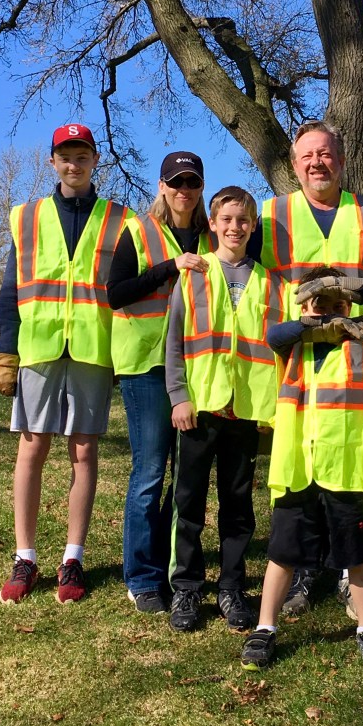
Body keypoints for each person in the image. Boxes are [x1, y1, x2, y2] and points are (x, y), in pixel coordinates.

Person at [253, 120, 363, 616]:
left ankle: (345, 570)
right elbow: (246, 277)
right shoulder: (272, 215)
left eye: (326, 153)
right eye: (307, 155)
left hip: (356, 362)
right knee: (300, 473)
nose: (318, 162)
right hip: (293, 359)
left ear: (341, 158)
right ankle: (303, 571)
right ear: (294, 166)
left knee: (348, 467)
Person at [0, 124, 130, 604]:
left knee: (84, 454)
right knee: (31, 450)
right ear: (52, 162)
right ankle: (25, 557)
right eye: (65, 157)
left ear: (95, 161)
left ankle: (73, 558)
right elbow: (10, 291)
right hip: (39, 350)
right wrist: (5, 350)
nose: (74, 164)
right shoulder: (26, 218)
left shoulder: (119, 219)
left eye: (82, 156)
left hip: (94, 350)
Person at [239, 266, 363, 671]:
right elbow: (275, 334)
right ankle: (265, 628)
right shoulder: (294, 343)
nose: (330, 311)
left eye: (337, 304)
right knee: (283, 552)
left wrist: (352, 291)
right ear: (305, 304)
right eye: (319, 302)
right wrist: (314, 317)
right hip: (300, 467)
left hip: (347, 468)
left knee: (356, 554)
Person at [163, 186, 282, 634]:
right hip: (199, 407)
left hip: (247, 410)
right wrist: (179, 396)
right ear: (212, 224)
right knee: (189, 502)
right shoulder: (193, 274)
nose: (235, 227)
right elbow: (174, 341)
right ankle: (187, 588)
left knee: (238, 505)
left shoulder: (272, 283)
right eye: (226, 219)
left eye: (243, 220)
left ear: (253, 226)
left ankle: (232, 589)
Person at [107, 151, 212, 613]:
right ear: (162, 186)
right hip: (146, 364)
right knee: (150, 472)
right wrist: (170, 267)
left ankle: (178, 571)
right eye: (176, 182)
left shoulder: (214, 234)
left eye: (192, 182)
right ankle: (142, 576)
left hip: (197, 366)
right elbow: (116, 294)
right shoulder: (137, 230)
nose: (184, 190)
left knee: (185, 477)